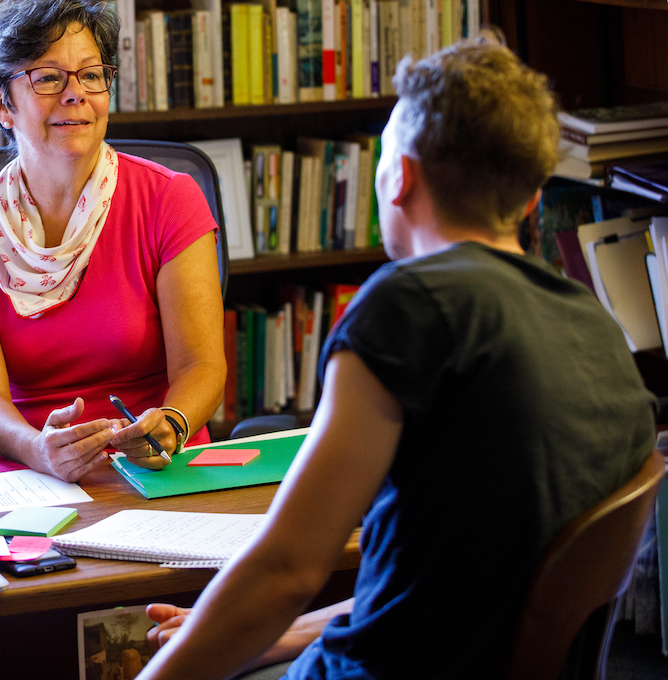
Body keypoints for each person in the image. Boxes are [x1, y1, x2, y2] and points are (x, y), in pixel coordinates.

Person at [137, 40, 658, 680]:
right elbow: (459, 580)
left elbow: (287, 569)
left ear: (399, 177)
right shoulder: (594, 327)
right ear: (530, 200)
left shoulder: (408, 307)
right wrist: (276, 637)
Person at [0, 0, 225, 480]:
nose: (76, 94)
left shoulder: (170, 200)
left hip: (153, 465)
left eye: (91, 75)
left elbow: (202, 366)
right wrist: (36, 449)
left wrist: (171, 424)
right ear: (3, 105)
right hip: (15, 474)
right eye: (48, 78)